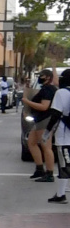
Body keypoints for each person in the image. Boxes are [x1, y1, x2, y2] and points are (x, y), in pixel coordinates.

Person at [41, 68, 70, 203]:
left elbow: (56, 115)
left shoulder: (61, 93)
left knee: (64, 166)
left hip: (64, 135)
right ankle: (60, 193)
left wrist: (47, 132)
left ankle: (61, 195)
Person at [23, 68, 57, 181]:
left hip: (45, 119)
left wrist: (27, 102)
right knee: (31, 142)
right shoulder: (46, 88)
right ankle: (39, 169)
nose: (40, 78)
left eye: (42, 75)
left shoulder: (48, 90)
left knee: (46, 146)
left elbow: (44, 106)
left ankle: (50, 173)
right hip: (39, 120)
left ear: (48, 77)